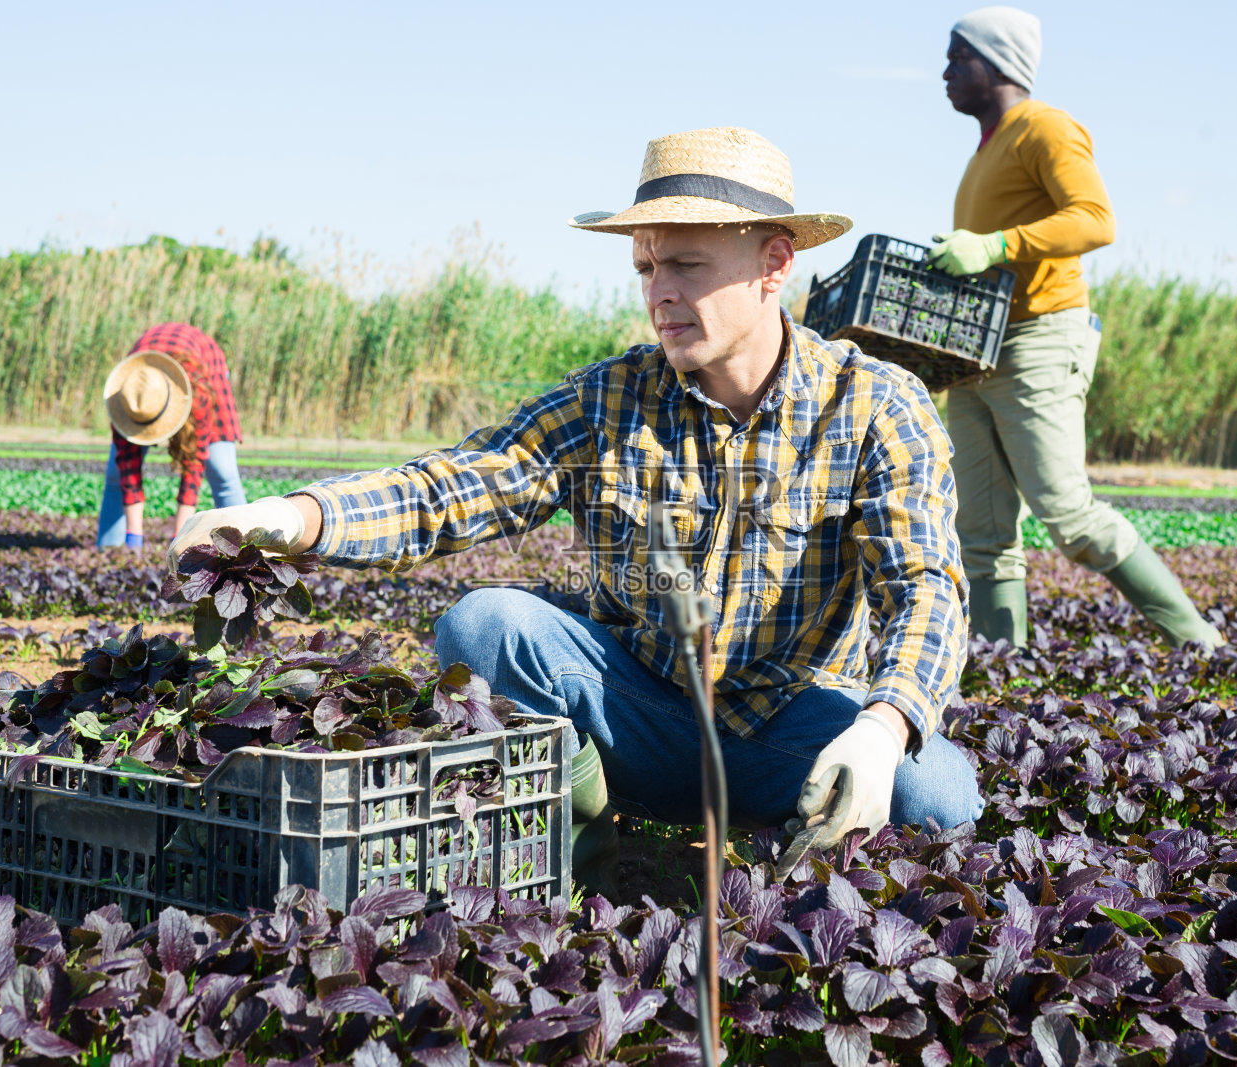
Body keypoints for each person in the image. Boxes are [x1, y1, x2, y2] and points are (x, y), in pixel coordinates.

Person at [166, 128, 984, 894]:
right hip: (640, 715)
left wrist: (882, 728)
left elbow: (928, 588)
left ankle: (799, 829)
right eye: (645, 268)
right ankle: (586, 843)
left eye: (686, 266)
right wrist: (294, 517)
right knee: (486, 626)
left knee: (937, 788)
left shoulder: (875, 405)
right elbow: (456, 484)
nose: (659, 294)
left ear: (774, 263)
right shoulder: (611, 400)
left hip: (789, 736)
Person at [927, 6, 1223, 649]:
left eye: (958, 57)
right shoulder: (983, 153)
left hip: (1040, 338)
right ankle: (1004, 662)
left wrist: (995, 245)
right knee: (982, 530)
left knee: (1069, 515)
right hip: (979, 352)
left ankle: (1197, 641)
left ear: (997, 63)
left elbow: (1094, 218)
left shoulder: (1044, 129)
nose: (944, 71)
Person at [97, 323, 247, 550]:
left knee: (222, 471)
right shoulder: (127, 394)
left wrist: (180, 539)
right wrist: (134, 538)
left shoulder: (198, 393)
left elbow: (193, 467)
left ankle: (246, 550)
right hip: (149, 364)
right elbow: (128, 467)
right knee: (115, 474)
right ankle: (109, 550)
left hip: (205, 362)